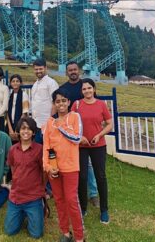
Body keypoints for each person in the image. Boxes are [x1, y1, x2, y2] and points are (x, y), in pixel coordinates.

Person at [43, 90, 84, 242]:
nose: (61, 104)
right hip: (54, 168)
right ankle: (65, 232)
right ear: (54, 104)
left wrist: (60, 126)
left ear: (68, 102)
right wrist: (47, 166)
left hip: (71, 167)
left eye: (64, 100)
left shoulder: (74, 116)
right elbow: (46, 146)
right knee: (59, 200)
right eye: (58, 101)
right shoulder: (49, 122)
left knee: (71, 201)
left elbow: (77, 137)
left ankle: (79, 237)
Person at [73, 78, 113, 224]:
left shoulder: (101, 105)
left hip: (98, 145)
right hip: (81, 146)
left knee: (100, 177)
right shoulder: (76, 105)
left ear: (94, 89)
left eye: (89, 88)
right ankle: (83, 207)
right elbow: (71, 124)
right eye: (84, 89)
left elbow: (110, 124)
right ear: (81, 91)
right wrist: (80, 137)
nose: (87, 91)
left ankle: (104, 210)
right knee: (82, 177)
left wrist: (99, 134)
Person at [58, 61, 98, 205]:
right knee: (70, 162)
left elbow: (93, 102)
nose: (73, 72)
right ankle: (73, 191)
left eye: (75, 69)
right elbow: (59, 106)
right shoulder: (63, 88)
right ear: (66, 72)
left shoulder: (85, 85)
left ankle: (93, 193)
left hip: (85, 129)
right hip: (69, 130)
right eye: (70, 70)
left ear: (79, 71)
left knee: (88, 164)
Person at [4, 116, 45, 239]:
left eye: (29, 129)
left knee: (36, 234)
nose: (25, 131)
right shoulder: (12, 149)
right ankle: (21, 214)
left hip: (33, 197)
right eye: (23, 128)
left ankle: (39, 208)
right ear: (18, 131)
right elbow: (13, 169)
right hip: (16, 197)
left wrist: (41, 189)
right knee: (10, 231)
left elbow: (44, 172)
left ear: (33, 132)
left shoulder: (40, 149)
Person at [30, 58, 58, 143]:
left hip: (47, 124)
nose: (38, 71)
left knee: (48, 151)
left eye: (40, 69)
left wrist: (51, 122)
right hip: (36, 124)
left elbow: (55, 102)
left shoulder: (51, 83)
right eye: (36, 69)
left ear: (45, 68)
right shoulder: (35, 84)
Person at [5, 74, 28, 143]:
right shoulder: (9, 95)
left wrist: (17, 129)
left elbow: (25, 112)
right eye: (13, 81)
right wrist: (10, 129)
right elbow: (6, 113)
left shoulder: (24, 94)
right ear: (10, 83)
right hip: (9, 126)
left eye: (17, 81)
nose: (15, 83)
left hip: (20, 125)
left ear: (20, 83)